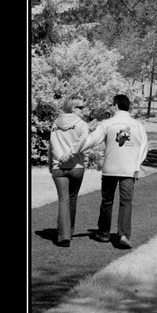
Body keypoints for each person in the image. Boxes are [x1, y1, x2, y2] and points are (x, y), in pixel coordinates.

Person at [75, 94, 149, 250]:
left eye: (111, 105)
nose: (110, 107)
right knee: (126, 202)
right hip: (129, 169)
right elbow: (143, 147)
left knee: (107, 201)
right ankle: (123, 234)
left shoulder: (108, 123)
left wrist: (75, 149)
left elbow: (92, 140)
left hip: (110, 168)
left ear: (115, 106)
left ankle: (103, 232)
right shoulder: (138, 125)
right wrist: (137, 166)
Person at [48, 98, 90, 247]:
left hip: (57, 167)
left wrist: (51, 163)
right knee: (72, 199)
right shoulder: (82, 124)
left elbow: (51, 145)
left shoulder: (55, 124)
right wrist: (70, 154)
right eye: (80, 107)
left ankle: (64, 233)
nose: (83, 110)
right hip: (76, 166)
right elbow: (82, 141)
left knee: (63, 200)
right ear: (73, 108)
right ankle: (68, 232)